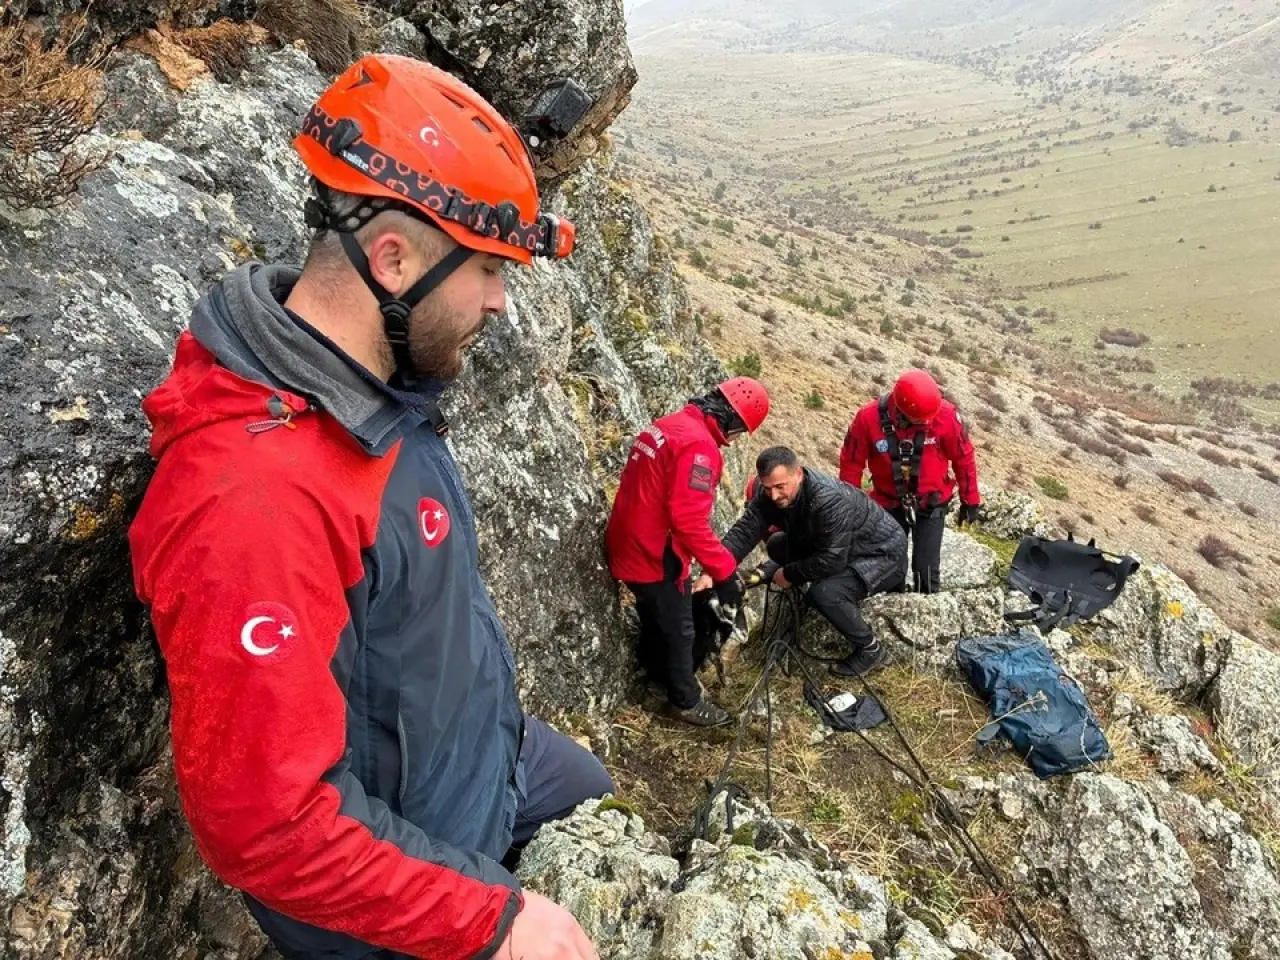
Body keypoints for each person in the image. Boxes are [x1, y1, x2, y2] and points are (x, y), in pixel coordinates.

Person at [128, 54, 611, 960]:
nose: (501, 303)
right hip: (398, 877)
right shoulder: (254, 502)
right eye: (487, 271)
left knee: (597, 798)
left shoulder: (371, 387)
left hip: (483, 762)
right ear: (393, 260)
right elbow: (267, 825)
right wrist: (489, 920)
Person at [605, 377, 770, 727]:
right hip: (653, 552)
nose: (736, 439)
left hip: (627, 538)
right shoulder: (699, 448)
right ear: (732, 419)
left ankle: (655, 672)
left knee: (656, 613)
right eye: (740, 431)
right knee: (681, 629)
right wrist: (723, 572)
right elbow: (688, 520)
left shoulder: (670, 425)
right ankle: (685, 701)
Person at [718, 446, 907, 677]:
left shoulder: (827, 500)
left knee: (825, 593)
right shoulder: (771, 494)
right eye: (768, 488)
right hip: (839, 546)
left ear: (798, 474)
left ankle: (872, 650)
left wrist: (790, 574)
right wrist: (715, 569)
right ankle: (771, 570)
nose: (774, 496)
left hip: (881, 553)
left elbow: (833, 560)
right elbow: (746, 530)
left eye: (780, 487)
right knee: (777, 544)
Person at [838, 369, 980, 595]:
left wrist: (970, 500)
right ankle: (893, 603)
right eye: (921, 419)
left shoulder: (945, 417)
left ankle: (928, 606)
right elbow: (851, 464)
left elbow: (963, 459)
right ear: (901, 409)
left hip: (931, 503)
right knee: (890, 566)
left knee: (926, 570)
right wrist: (851, 508)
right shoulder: (868, 419)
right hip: (888, 502)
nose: (927, 421)